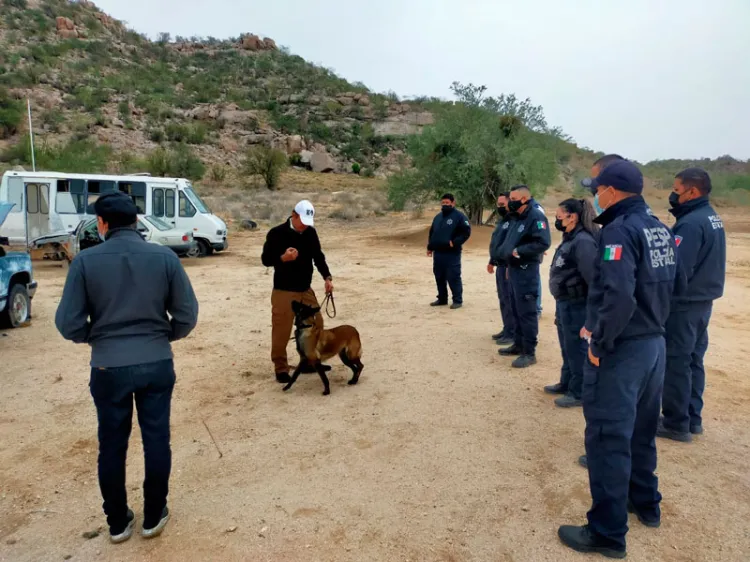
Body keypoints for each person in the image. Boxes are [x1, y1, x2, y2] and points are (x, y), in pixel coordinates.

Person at [55, 192, 199, 543]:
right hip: (156, 362)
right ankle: (153, 517)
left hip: (108, 368)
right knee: (156, 440)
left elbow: (68, 323)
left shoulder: (85, 263)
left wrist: (97, 337)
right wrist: (164, 335)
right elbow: (187, 315)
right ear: (136, 221)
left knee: (112, 444)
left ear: (102, 224)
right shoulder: (165, 258)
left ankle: (118, 524)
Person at [558, 160, 677, 559]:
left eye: (597, 188)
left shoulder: (619, 231)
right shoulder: (658, 226)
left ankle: (607, 532)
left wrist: (598, 342)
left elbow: (619, 295)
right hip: (653, 345)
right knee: (640, 432)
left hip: (624, 349)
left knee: (608, 438)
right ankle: (645, 502)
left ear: (611, 191)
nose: (595, 195)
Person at [658, 168, 726, 442]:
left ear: (692, 192)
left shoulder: (691, 223)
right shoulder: (710, 216)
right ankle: (692, 417)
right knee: (693, 360)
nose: (673, 194)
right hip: (702, 302)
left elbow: (677, 269)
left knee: (676, 362)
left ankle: (676, 422)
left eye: (677, 189)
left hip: (684, 305)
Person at [261, 200, 334, 383]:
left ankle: (310, 361)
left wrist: (327, 277)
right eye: (303, 221)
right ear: (294, 215)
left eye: (309, 222)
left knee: (317, 323)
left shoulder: (310, 232)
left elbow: (318, 256)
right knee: (282, 331)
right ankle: (281, 368)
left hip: (305, 289)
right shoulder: (277, 233)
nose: (305, 226)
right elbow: (266, 259)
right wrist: (283, 258)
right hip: (284, 290)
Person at [544, 198, 599, 408]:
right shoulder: (571, 238)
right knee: (567, 346)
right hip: (565, 302)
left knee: (576, 349)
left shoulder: (583, 241)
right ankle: (567, 382)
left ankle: (579, 392)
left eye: (559, 216)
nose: (556, 220)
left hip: (577, 304)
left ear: (572, 217)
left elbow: (592, 278)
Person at [495, 185, 551, 368]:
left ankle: (529, 352)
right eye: (510, 198)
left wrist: (520, 251)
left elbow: (543, 242)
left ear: (525, 199)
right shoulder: (516, 217)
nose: (510, 201)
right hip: (513, 269)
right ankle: (518, 345)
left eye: (513, 198)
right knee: (515, 307)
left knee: (527, 311)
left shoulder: (536, 216)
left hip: (527, 270)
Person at [427, 193, 472, 309]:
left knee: (453, 276)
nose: (445, 205)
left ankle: (457, 300)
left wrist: (455, 242)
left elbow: (466, 232)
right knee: (439, 276)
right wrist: (430, 247)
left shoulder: (459, 216)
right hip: (438, 253)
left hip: (452, 253)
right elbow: (432, 233)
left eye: (447, 203)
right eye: (443, 203)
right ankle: (442, 299)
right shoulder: (438, 217)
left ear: (453, 203)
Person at [488, 192, 515, 345]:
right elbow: (497, 243)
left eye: (502, 205)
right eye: (498, 205)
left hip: (508, 267)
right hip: (499, 265)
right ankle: (507, 328)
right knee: (503, 299)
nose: (500, 208)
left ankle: (512, 333)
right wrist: (492, 260)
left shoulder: (514, 221)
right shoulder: (502, 221)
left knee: (510, 300)